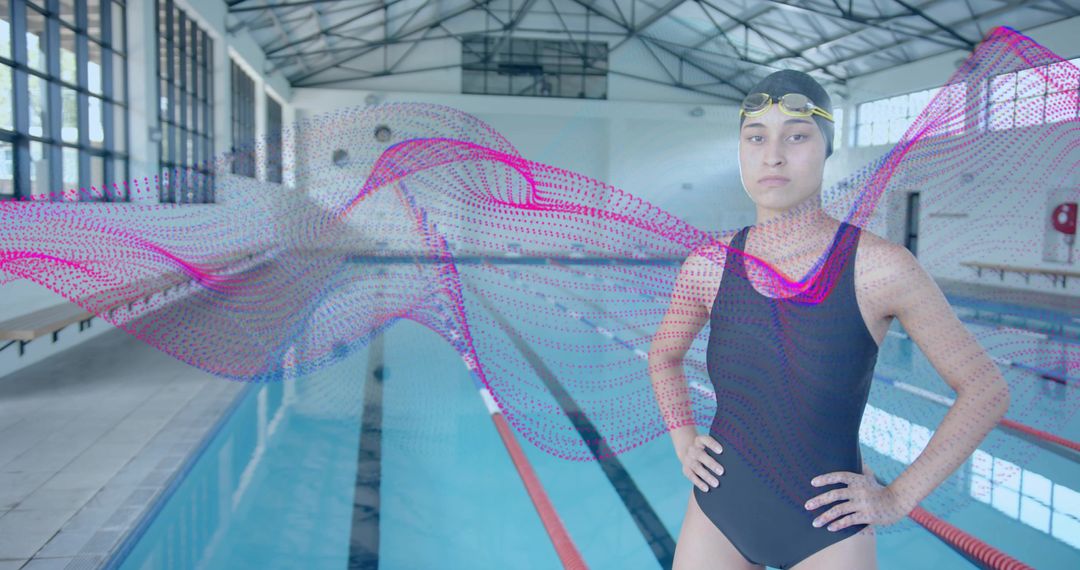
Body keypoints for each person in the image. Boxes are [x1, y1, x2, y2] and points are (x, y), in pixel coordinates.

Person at [647, 69, 1011, 569]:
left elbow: (986, 389)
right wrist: (684, 440)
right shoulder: (708, 266)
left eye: (796, 136)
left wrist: (898, 496)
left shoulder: (881, 268)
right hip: (718, 515)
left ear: (826, 147)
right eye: (756, 137)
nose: (773, 154)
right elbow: (663, 355)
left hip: (828, 533)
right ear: (741, 150)